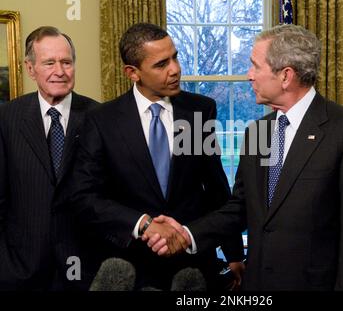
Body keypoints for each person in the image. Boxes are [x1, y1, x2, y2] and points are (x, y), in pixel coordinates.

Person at [149, 24, 343, 291]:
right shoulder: (257, 132)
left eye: (255, 66)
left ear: (286, 76)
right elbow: (240, 208)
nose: (249, 76)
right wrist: (186, 234)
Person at [69, 23, 244, 291]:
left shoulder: (200, 110)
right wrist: (143, 224)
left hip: (192, 266)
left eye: (175, 57)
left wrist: (233, 254)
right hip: (129, 266)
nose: (175, 69)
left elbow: (216, 189)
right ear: (133, 73)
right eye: (161, 64)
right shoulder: (101, 120)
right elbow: (84, 196)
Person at [0, 26, 98, 290]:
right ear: (30, 69)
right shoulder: (6, 118)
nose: (60, 71)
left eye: (66, 62)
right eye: (49, 63)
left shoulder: (100, 117)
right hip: (20, 270)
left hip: (85, 266)